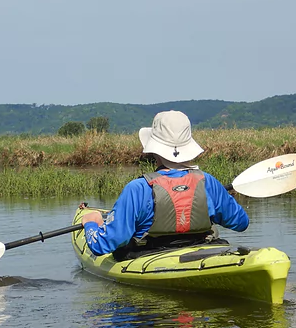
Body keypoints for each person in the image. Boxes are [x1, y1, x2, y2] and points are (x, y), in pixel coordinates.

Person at [81, 110, 249, 258]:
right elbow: (241, 223)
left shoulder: (137, 189)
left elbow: (100, 246)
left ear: (154, 149)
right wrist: (221, 199)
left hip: (149, 254)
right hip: (202, 250)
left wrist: (90, 222)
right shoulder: (208, 182)